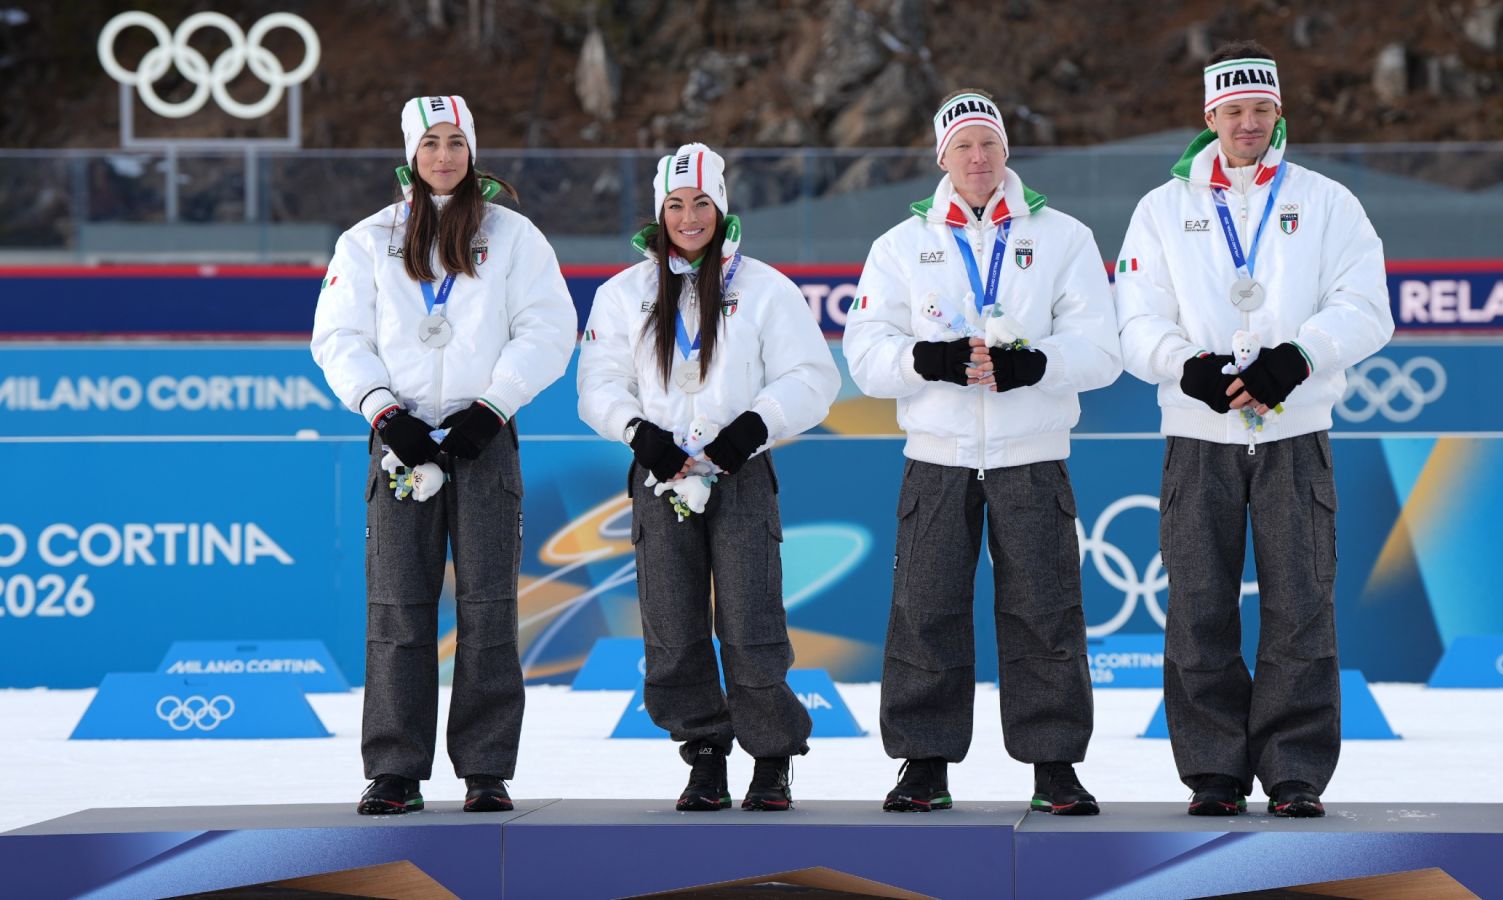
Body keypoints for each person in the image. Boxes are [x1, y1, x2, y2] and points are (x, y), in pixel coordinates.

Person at [1113, 42, 1393, 817]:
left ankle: (1295, 771)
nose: (1248, 124)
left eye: (1261, 109)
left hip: (1293, 433)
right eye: (1233, 110)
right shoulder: (1161, 209)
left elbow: (1367, 307)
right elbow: (1135, 320)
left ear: (1279, 113)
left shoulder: (1327, 201)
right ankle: (1213, 771)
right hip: (1199, 434)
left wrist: (1298, 357)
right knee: (1198, 604)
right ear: (1210, 116)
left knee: (1301, 603)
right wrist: (1189, 368)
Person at [843, 90, 1122, 816]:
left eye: (989, 144)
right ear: (942, 157)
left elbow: (1103, 350)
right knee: (925, 608)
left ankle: (1055, 766)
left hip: (1032, 452)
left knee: (1046, 610)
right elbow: (865, 356)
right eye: (963, 146)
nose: (978, 158)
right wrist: (927, 360)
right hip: (938, 455)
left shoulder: (1063, 237)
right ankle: (924, 764)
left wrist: (1036, 364)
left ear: (1007, 151)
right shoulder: (900, 246)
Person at [311, 95, 577, 815]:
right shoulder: (368, 239)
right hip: (401, 442)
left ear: (472, 150)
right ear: (410, 153)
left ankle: (485, 768)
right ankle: (395, 769)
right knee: (398, 607)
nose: (444, 155)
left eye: (456, 141)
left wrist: (494, 406)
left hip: (482, 438)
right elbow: (338, 337)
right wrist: (383, 410)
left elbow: (548, 328)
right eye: (430, 142)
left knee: (489, 609)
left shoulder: (513, 236)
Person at [577, 142, 840, 812]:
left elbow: (812, 377)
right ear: (658, 212)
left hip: (740, 473)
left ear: (722, 209)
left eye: (700, 203)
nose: (688, 217)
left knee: (752, 623)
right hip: (660, 475)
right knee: (672, 624)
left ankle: (772, 758)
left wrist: (752, 428)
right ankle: (703, 754)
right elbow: (598, 385)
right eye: (675, 204)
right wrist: (639, 434)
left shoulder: (766, 288)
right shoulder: (623, 294)